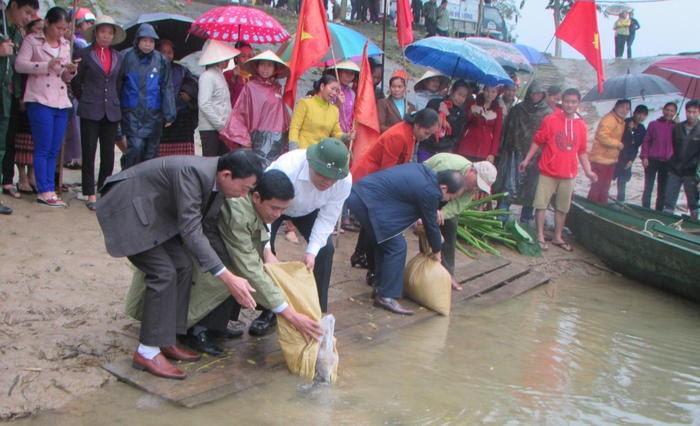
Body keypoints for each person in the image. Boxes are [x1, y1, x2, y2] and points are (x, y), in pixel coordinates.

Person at [95, 150, 263, 380]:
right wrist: (226, 276)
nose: (246, 194)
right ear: (226, 175)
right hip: (127, 211)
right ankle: (147, 351)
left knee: (183, 265)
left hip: (153, 213)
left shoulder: (219, 183)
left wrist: (229, 266)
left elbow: (206, 227)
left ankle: (166, 339)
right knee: (163, 272)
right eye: (245, 188)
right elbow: (191, 230)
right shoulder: (192, 174)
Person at [149, 170, 323, 356]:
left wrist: (266, 251)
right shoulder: (238, 211)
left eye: (283, 210)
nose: (277, 215)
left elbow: (253, 244)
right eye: (274, 208)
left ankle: (216, 326)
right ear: (256, 197)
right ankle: (195, 330)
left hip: (215, 247)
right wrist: (290, 314)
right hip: (193, 252)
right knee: (230, 277)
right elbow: (248, 265)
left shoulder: (253, 205)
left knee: (238, 276)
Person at [248, 138, 352, 336]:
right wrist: (267, 249)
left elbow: (328, 217)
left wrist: (311, 252)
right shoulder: (287, 168)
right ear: (310, 163)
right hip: (275, 205)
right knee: (263, 250)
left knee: (325, 249)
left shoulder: (344, 182)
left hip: (309, 209)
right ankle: (269, 310)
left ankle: (316, 309)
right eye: (322, 175)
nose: (326, 182)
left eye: (332, 179)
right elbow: (264, 208)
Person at [347, 163, 465, 315]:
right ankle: (386, 296)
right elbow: (431, 225)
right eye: (450, 197)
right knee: (397, 247)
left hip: (363, 194)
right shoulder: (430, 191)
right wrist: (437, 251)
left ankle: (380, 288)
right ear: (444, 188)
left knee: (385, 243)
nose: (447, 200)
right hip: (368, 201)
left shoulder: (425, 172)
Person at [349, 109, 439, 281]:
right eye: (426, 133)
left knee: (372, 222)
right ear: (418, 125)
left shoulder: (410, 134)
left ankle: (360, 255)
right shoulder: (398, 135)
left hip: (375, 179)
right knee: (377, 222)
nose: (427, 137)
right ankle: (371, 264)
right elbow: (388, 173)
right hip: (369, 179)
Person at [519, 88, 597, 252]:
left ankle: (557, 236)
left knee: (562, 208)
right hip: (548, 171)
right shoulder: (550, 119)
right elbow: (537, 141)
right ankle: (540, 236)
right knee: (541, 205)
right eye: (567, 101)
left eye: (573, 102)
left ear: (578, 104)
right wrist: (526, 160)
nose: (569, 105)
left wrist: (588, 171)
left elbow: (582, 151)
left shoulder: (581, 125)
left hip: (569, 174)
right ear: (562, 101)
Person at [15, 6, 78, 207]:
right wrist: (45, 65)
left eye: (64, 28)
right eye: (58, 28)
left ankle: (50, 187)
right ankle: (44, 189)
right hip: (39, 97)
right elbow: (20, 64)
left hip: (60, 99)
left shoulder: (65, 44)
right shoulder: (32, 41)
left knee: (54, 148)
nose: (61, 32)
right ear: (48, 24)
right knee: (42, 146)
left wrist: (71, 71)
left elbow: (65, 75)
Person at [72, 15, 125, 211]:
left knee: (108, 153)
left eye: (109, 33)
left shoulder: (119, 57)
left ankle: (104, 189)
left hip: (111, 109)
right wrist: (84, 98)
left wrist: (114, 100)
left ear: (113, 36)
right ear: (96, 33)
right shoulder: (85, 54)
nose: (106, 36)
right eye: (102, 31)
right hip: (90, 108)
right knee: (88, 151)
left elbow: (119, 83)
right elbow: (77, 81)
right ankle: (90, 192)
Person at [423, 153, 496, 289]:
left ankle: (447, 272)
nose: (475, 188)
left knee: (450, 225)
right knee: (427, 228)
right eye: (476, 184)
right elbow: (426, 186)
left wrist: (442, 213)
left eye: (479, 188)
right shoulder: (450, 166)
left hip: (447, 198)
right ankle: (426, 268)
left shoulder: (471, 188)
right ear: (472, 171)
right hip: (427, 189)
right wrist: (430, 211)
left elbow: (457, 205)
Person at [493, 80, 552, 223]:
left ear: (543, 95)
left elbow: (548, 136)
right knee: (509, 186)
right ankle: (501, 217)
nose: (535, 96)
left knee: (531, 189)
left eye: (539, 93)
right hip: (515, 152)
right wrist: (504, 150)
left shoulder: (548, 113)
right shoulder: (518, 109)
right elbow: (507, 130)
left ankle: (525, 220)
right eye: (533, 93)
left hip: (536, 157)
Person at [0, 0, 39, 215]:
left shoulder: (16, 31)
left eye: (31, 14)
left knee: (3, 145)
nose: (27, 18)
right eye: (26, 12)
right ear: (13, 5)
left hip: (7, 96)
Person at [119, 23, 175, 169]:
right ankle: (127, 177)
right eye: (144, 41)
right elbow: (118, 84)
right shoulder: (126, 57)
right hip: (132, 112)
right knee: (135, 147)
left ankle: (146, 185)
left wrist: (169, 113)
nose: (147, 45)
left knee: (151, 153)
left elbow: (166, 86)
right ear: (138, 40)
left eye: (151, 41)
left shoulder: (161, 60)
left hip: (154, 113)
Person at [221, 50, 290, 167]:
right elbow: (240, 114)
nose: (265, 68)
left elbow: (283, 116)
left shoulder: (278, 89)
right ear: (257, 66)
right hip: (256, 138)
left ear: (275, 68)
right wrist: (244, 140)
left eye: (269, 65)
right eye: (262, 64)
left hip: (276, 140)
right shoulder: (250, 87)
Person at [156, 39, 198, 157]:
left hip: (181, 120)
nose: (167, 55)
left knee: (182, 158)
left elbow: (193, 85)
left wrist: (188, 95)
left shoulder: (182, 70)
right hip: (160, 118)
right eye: (163, 51)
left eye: (169, 52)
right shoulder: (153, 70)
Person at [198, 39, 239, 157]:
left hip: (221, 127)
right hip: (211, 128)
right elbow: (204, 104)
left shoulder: (219, 75)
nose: (227, 61)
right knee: (211, 162)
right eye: (225, 59)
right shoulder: (207, 76)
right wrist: (220, 125)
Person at [288, 75, 351, 150]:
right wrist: (293, 150)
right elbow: (294, 128)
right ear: (322, 86)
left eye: (337, 91)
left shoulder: (334, 110)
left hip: (320, 154)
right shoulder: (305, 103)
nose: (334, 93)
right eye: (332, 89)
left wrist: (347, 136)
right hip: (302, 150)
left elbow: (336, 133)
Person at [587, 99, 631, 204]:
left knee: (605, 187)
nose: (624, 110)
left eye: (627, 108)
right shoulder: (609, 119)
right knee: (597, 186)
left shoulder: (621, 121)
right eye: (622, 107)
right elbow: (602, 136)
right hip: (600, 159)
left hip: (611, 159)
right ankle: (592, 206)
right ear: (616, 106)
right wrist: (617, 144)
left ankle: (602, 205)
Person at [663, 100, 700, 219]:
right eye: (689, 112)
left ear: (698, 113)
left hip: (691, 171)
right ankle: (665, 222)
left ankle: (694, 225)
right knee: (669, 200)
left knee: (693, 202)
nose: (691, 115)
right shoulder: (678, 127)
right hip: (675, 169)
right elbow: (672, 145)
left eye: (694, 112)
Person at [419, 79, 470, 161]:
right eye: (459, 94)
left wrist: (448, 115)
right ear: (452, 90)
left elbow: (456, 134)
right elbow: (423, 122)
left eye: (463, 96)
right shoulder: (434, 103)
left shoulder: (462, 115)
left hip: (443, 151)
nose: (460, 98)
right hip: (427, 146)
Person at [640, 102, 677, 210]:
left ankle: (658, 211)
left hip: (667, 162)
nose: (669, 112)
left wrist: (677, 126)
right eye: (667, 109)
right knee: (648, 187)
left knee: (663, 189)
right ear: (663, 110)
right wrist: (644, 156)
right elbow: (646, 141)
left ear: (675, 113)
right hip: (652, 160)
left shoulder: (675, 127)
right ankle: (645, 209)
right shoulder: (653, 124)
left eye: (672, 111)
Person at [458, 84, 503, 164]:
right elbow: (463, 122)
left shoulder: (498, 110)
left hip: (485, 148)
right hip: (468, 143)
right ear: (483, 90)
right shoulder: (473, 104)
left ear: (497, 93)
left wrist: (492, 153)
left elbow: (497, 133)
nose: (489, 94)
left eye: (493, 92)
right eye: (487, 91)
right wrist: (471, 113)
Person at [615, 104, 648, 202]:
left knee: (623, 180)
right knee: (610, 177)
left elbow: (636, 146)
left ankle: (620, 202)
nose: (641, 117)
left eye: (644, 115)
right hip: (618, 155)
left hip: (628, 157)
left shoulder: (642, 129)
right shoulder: (624, 123)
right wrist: (628, 130)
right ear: (634, 113)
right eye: (639, 114)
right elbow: (619, 138)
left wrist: (631, 160)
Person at [327, 59, 359, 133]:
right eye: (346, 72)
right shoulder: (329, 90)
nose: (349, 76)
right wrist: (336, 104)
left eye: (352, 73)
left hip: (345, 134)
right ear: (339, 71)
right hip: (330, 132)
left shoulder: (352, 93)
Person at [224, 41, 254, 107]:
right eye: (243, 56)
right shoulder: (227, 75)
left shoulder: (256, 77)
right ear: (236, 58)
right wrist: (233, 79)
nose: (247, 59)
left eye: (250, 56)